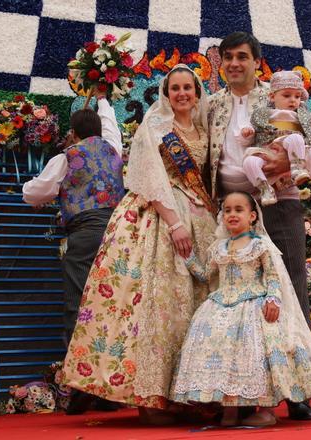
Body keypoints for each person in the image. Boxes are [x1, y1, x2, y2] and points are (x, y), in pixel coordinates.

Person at [56, 64, 217, 424]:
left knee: (195, 305)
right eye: (174, 88)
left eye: (187, 87)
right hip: (159, 218)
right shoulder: (155, 126)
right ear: (165, 92)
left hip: (200, 217)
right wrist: (175, 222)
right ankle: (150, 394)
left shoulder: (205, 128)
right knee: (153, 305)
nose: (181, 94)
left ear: (196, 91)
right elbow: (147, 176)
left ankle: (189, 394)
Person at [208, 31, 311, 421]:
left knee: (292, 290)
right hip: (229, 214)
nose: (234, 63)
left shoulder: (281, 97)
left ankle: (298, 391)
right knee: (233, 303)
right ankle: (240, 393)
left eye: (242, 57)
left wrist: (287, 166)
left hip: (279, 202)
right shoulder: (211, 103)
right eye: (227, 57)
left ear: (256, 62)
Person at [171, 191, 311, 426]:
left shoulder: (260, 246)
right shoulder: (218, 248)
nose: (232, 214)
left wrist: (273, 299)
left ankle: (266, 410)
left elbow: (273, 277)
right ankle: (230, 410)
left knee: (257, 350)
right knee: (224, 350)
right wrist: (188, 259)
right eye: (227, 210)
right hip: (220, 305)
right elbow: (206, 275)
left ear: (252, 216)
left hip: (252, 305)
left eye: (239, 210)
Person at [22, 93, 125, 414]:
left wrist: (29, 185)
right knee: (110, 305)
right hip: (116, 235)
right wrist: (105, 101)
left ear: (75, 132)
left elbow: (35, 194)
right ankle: (108, 389)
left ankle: (82, 386)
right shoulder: (113, 148)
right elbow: (111, 126)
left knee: (78, 304)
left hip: (84, 235)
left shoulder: (67, 157)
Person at [239, 70, 311, 205]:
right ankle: (264, 189)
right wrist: (247, 133)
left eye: (297, 97)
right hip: (266, 151)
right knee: (249, 162)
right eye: (286, 95)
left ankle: (297, 168)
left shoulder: (304, 117)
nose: (293, 100)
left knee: (295, 139)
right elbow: (248, 136)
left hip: (290, 152)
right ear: (272, 97)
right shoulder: (262, 114)